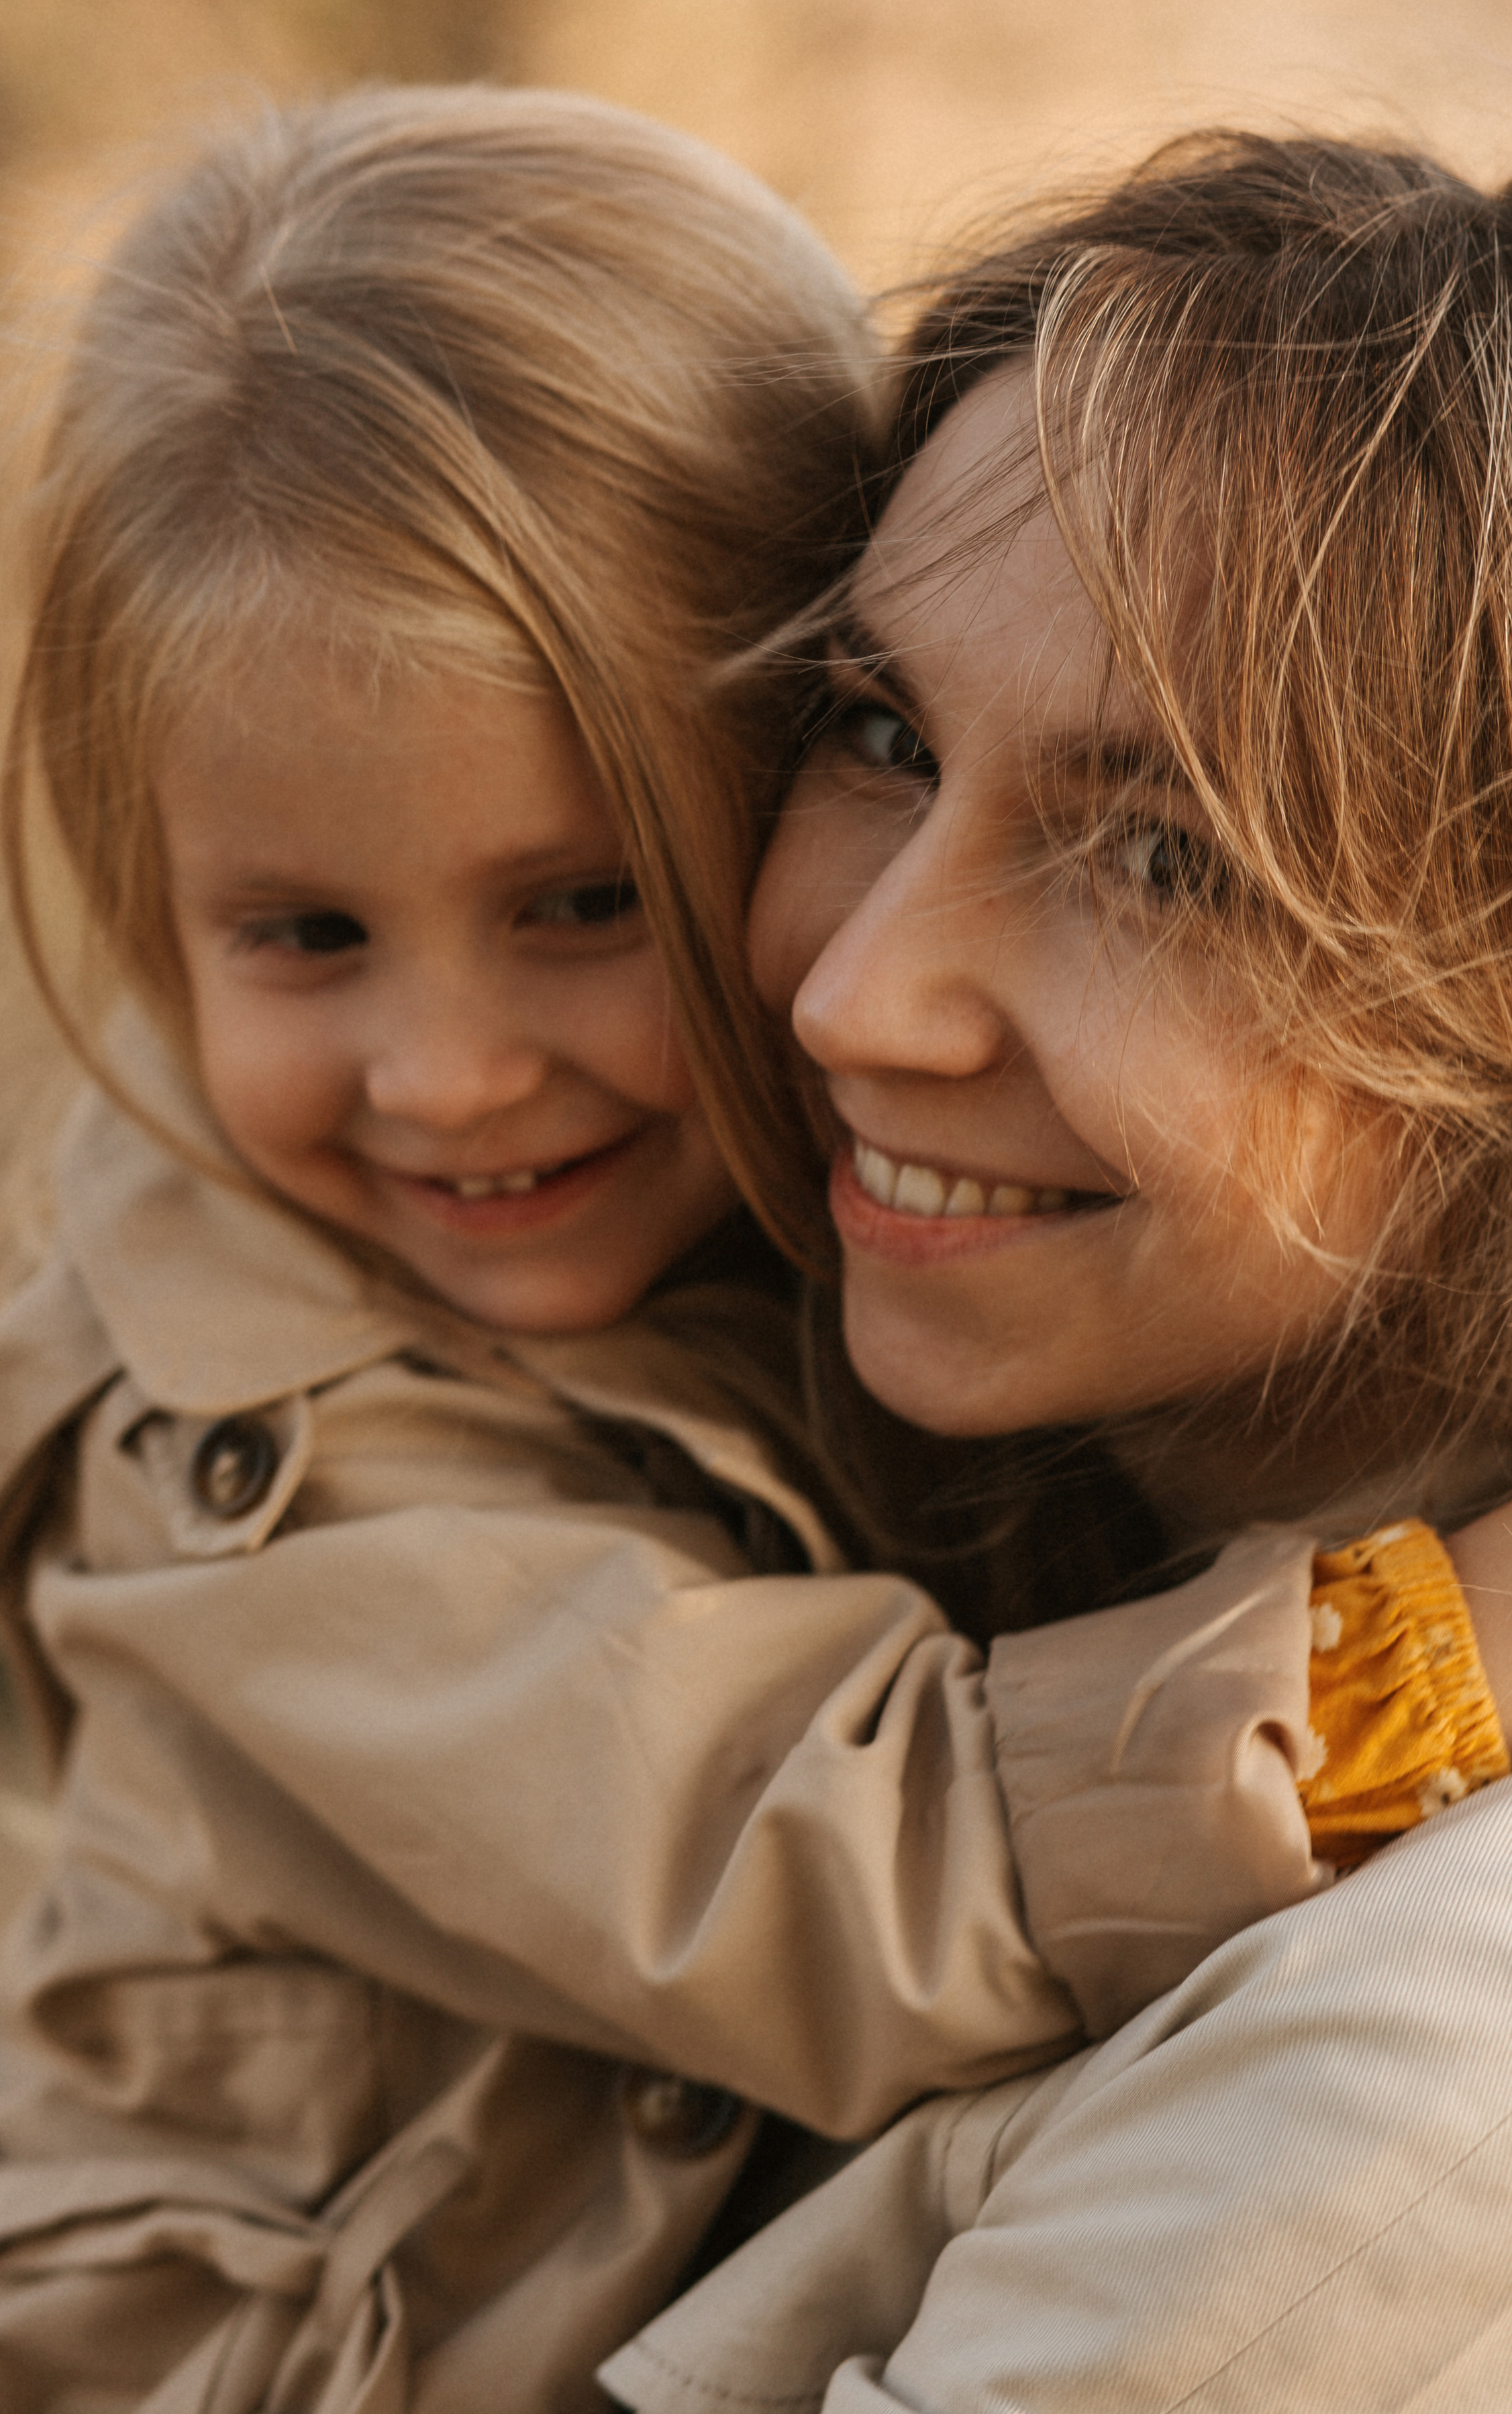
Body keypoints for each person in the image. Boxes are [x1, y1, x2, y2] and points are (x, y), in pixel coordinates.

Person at [0, 95, 1494, 2413]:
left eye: (586, 902)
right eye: (305, 935)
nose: (457, 1075)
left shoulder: (807, 1256)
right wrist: (1438, 1658)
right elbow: (822, 1861)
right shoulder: (253, 1445)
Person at [602, 131, 1512, 2413]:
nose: (855, 1004)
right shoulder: (710, 1416)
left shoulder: (1400, 2081)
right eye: (882, 731)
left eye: (1166, 856)